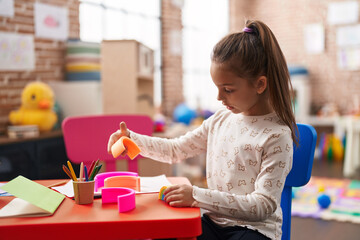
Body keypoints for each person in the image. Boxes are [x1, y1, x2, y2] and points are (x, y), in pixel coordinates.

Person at [107, 20, 298, 240]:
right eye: (217, 88)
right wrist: (133, 140)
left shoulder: (276, 135)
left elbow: (263, 205)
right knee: (163, 231)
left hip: (254, 230)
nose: (219, 97)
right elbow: (175, 149)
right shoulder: (220, 120)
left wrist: (196, 195)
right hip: (213, 222)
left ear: (260, 84)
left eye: (227, 89)